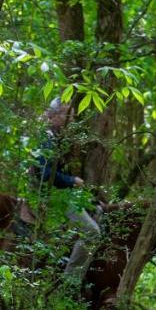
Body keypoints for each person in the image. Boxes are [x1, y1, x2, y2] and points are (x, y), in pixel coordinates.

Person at [32, 99, 100, 279]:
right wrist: (72, 180)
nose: (68, 119)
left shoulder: (57, 139)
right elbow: (45, 175)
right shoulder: (46, 139)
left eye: (69, 115)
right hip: (53, 197)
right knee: (92, 232)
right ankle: (70, 281)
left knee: (98, 210)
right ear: (53, 116)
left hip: (63, 195)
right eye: (64, 114)